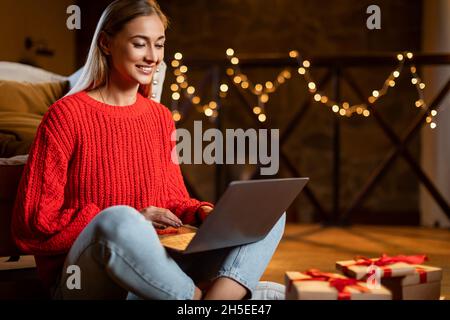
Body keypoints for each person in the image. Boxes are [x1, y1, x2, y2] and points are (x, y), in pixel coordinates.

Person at [11, 0, 285, 300]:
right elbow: (34, 227)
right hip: (87, 278)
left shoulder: (159, 117)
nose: (152, 57)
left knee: (267, 212)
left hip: (159, 267)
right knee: (119, 219)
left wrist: (201, 212)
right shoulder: (65, 116)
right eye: (140, 44)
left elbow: (172, 201)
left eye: (159, 44)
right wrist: (134, 218)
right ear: (106, 43)